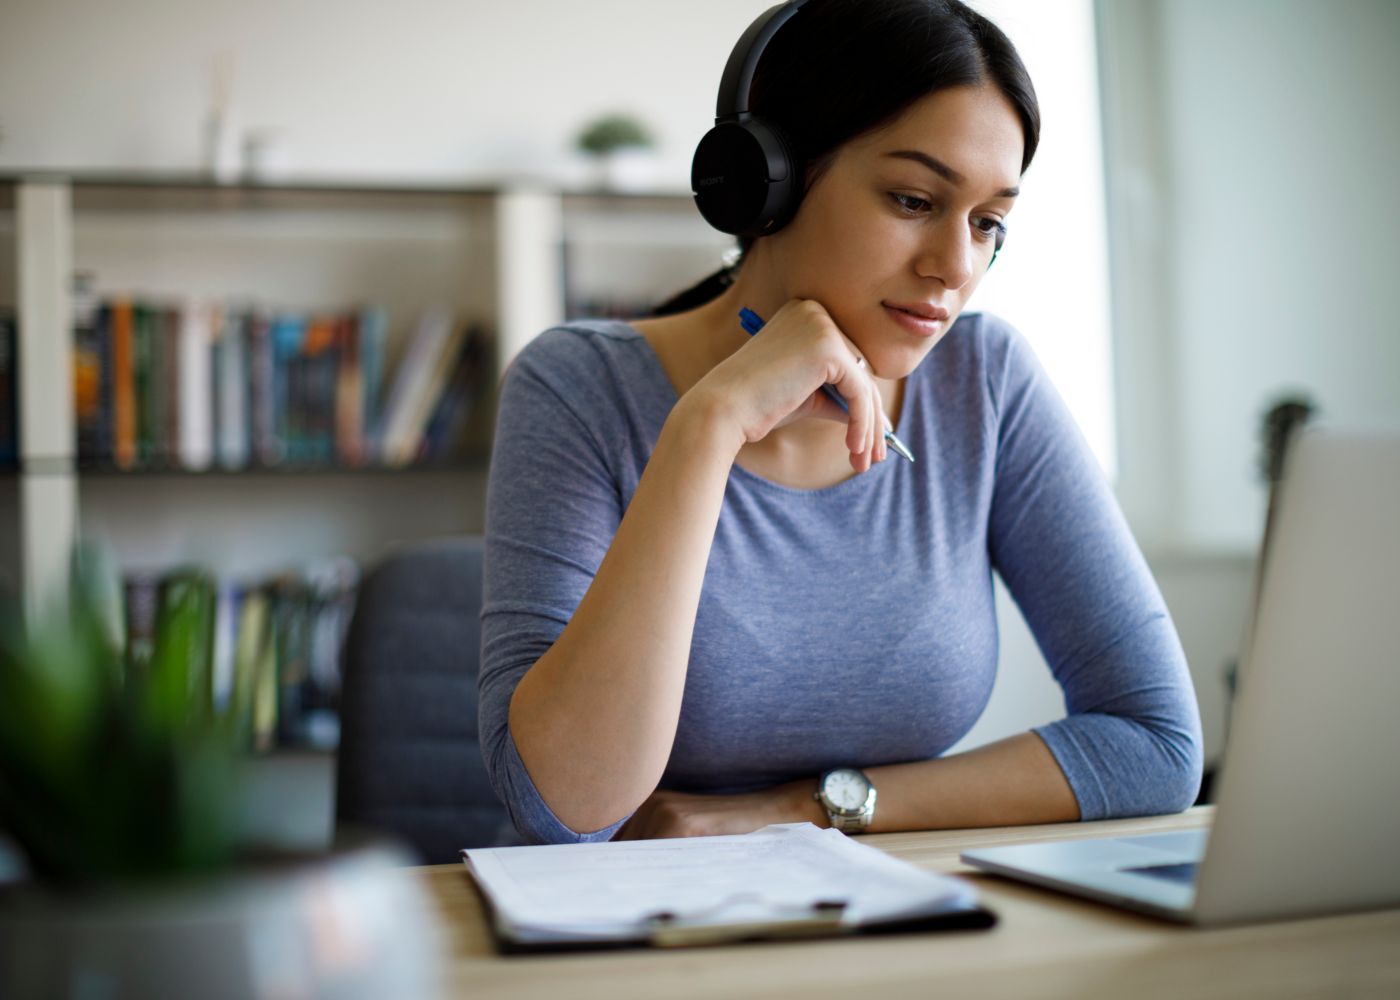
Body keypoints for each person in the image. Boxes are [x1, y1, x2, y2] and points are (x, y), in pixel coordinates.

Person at [479, 0, 1203, 845]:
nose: (954, 267)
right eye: (911, 198)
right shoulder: (578, 386)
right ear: (766, 184)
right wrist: (707, 427)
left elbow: (1155, 744)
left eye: (988, 222)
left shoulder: (987, 383)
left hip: (896, 919)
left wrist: (804, 809)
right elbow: (561, 807)